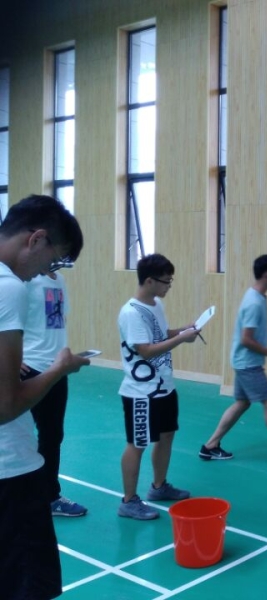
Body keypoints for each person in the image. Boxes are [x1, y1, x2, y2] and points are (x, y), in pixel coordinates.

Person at [0, 194, 88, 600]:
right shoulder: (10, 287)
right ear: (36, 239)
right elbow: (6, 407)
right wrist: (58, 369)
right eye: (53, 259)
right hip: (10, 472)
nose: (47, 271)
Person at [199, 254, 267, 470]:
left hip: (242, 361)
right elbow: (246, 339)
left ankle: (209, 446)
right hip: (248, 363)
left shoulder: (257, 296)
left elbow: (255, 328)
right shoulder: (254, 302)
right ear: (266, 275)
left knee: (242, 402)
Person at [117, 253, 200, 520]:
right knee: (137, 443)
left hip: (164, 386)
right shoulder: (131, 312)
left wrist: (183, 331)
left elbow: (160, 335)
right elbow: (145, 350)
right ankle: (129, 501)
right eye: (166, 281)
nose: (169, 286)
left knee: (166, 436)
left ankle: (159, 486)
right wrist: (182, 339)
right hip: (141, 393)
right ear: (150, 281)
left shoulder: (156, 304)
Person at [23, 269, 89, 517]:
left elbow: (58, 321)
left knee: (52, 435)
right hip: (30, 367)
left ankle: (49, 496)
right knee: (19, 436)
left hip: (56, 369)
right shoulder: (24, 279)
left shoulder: (59, 279)